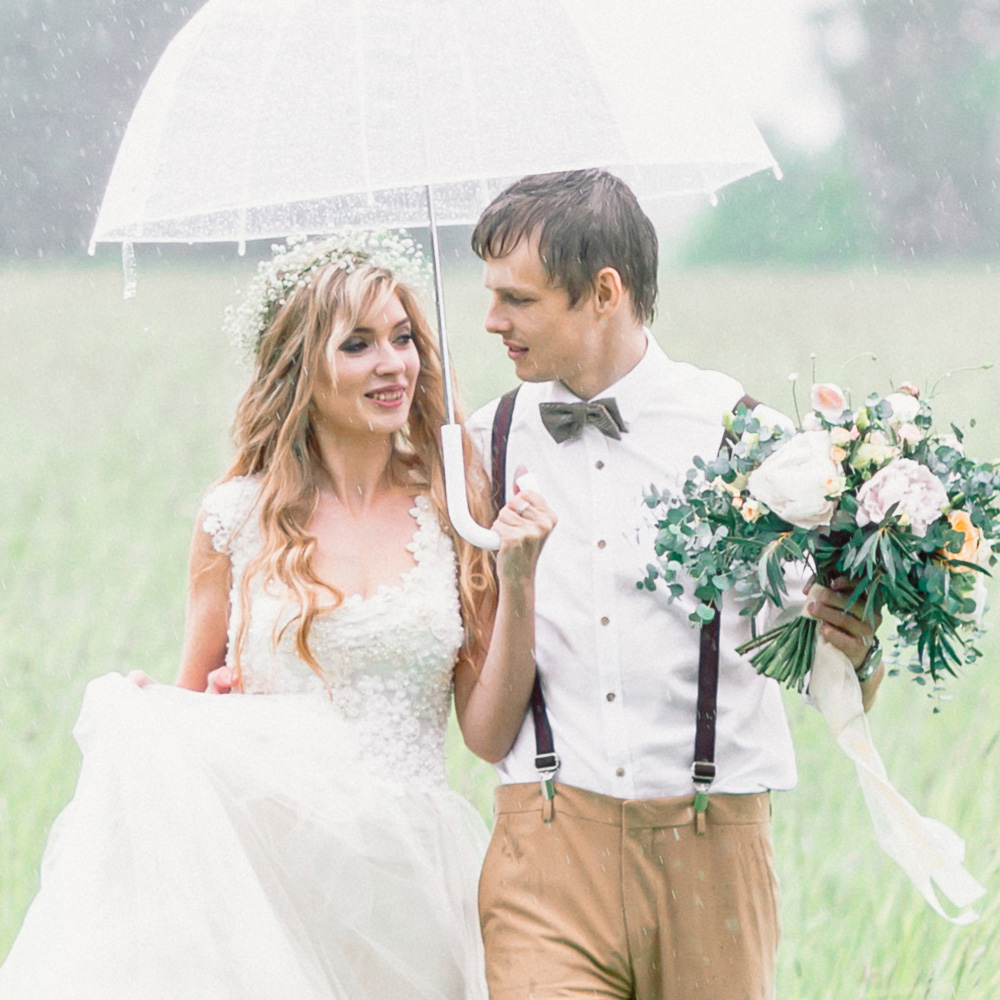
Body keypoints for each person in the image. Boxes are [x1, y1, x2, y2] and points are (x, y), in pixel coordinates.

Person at [0, 232, 555, 1000]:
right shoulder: (233, 520)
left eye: (402, 339)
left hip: (410, 882)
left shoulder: (452, 505)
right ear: (299, 367)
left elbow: (487, 733)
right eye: (358, 344)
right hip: (271, 877)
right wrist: (156, 712)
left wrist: (518, 582)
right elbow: (195, 706)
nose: (393, 364)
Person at [464, 170, 884, 1000]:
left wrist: (856, 649)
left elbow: (825, 668)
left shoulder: (740, 433)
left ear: (604, 292)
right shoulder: (487, 441)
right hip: (544, 850)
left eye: (518, 299)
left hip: (712, 845)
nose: (492, 321)